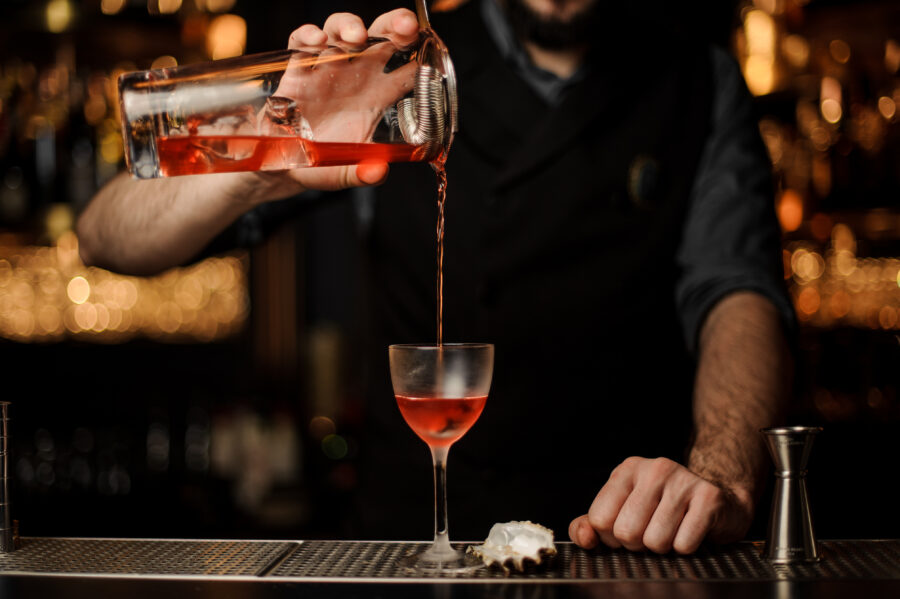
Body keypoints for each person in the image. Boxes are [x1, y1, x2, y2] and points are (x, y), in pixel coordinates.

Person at [77, 0, 794, 554]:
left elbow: (739, 290)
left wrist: (722, 473)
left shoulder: (698, 81)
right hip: (408, 546)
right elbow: (105, 236)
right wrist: (270, 155)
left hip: (618, 538)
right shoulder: (397, 69)